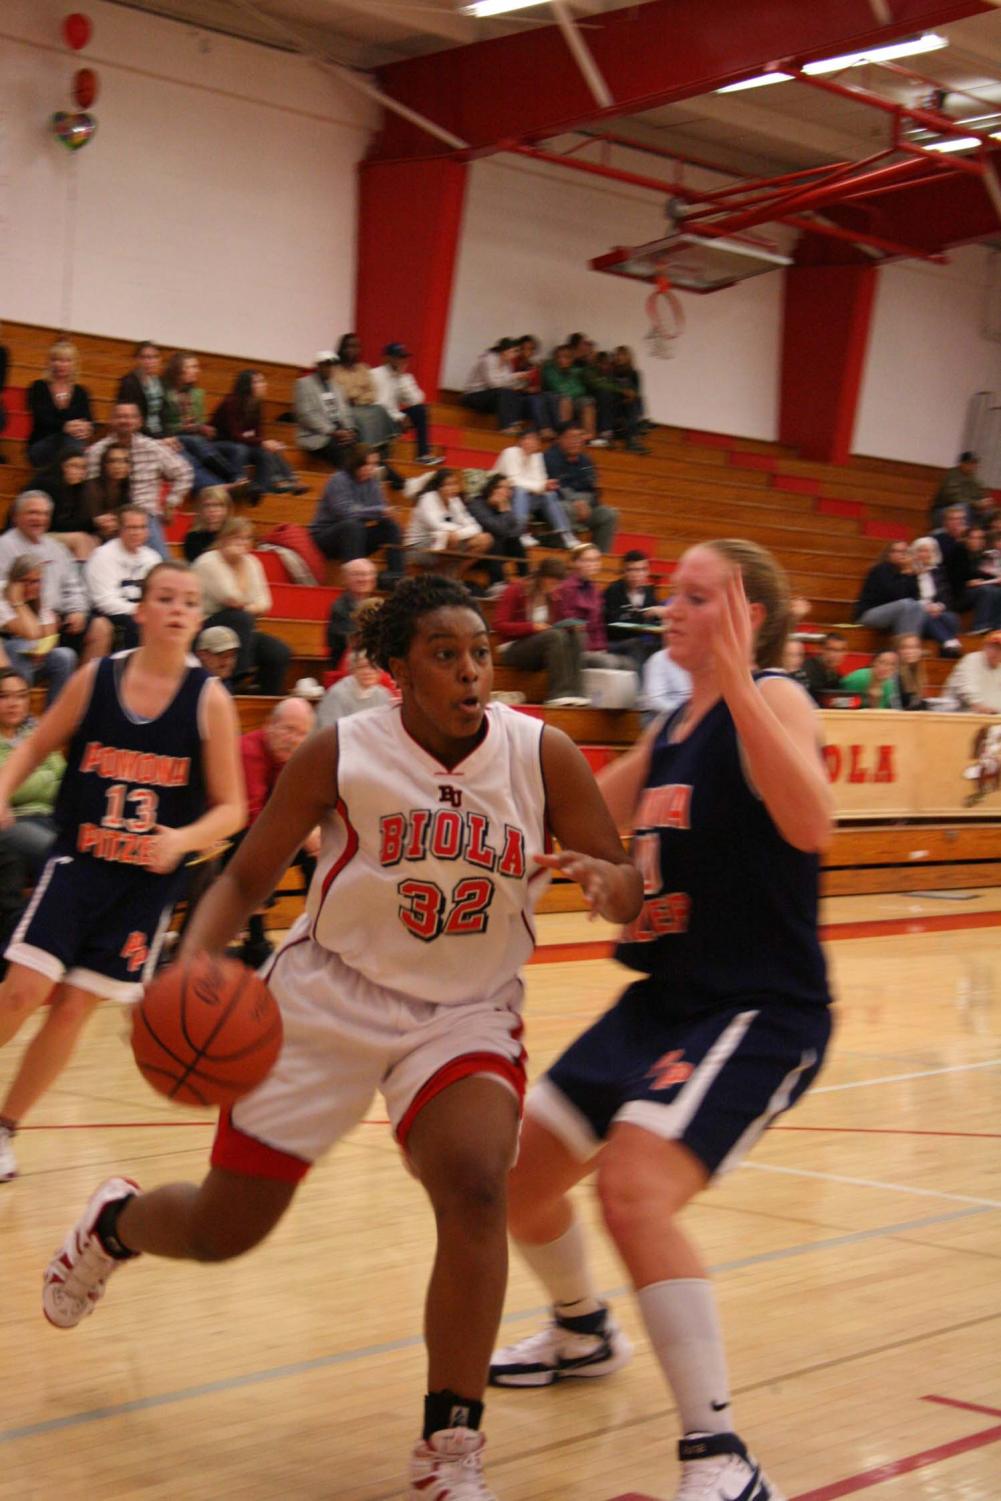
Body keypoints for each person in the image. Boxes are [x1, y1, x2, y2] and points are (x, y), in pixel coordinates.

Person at [40, 574, 642, 1501]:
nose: (470, 670)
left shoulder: (542, 752)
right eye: (444, 654)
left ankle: (449, 1447)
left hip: (462, 1009)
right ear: (395, 668)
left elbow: (622, 877)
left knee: (477, 1185)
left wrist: (610, 888)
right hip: (328, 998)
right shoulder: (340, 751)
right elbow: (243, 880)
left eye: (479, 650)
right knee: (221, 1228)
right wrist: (189, 972)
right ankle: (115, 1224)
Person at [489, 538, 833, 1501]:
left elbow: (812, 824)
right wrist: (536, 858)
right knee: (519, 1175)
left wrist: (738, 681)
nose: (669, 610)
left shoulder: (779, 699)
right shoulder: (675, 724)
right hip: (664, 999)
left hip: (757, 1007)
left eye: (695, 597)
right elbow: (598, 835)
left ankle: (720, 1455)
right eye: (672, 597)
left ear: (747, 616)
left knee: (633, 1190)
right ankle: (581, 1328)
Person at [0, 561, 245, 1182]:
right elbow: (32, 743)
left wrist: (182, 840)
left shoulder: (209, 701)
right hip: (79, 864)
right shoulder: (96, 678)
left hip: (142, 887)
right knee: (22, 991)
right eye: (165, 597)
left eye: (190, 601)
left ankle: (4, 1128)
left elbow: (233, 808)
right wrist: (3, 789)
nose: (177, 609)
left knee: (75, 1010)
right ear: (141, 609)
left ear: (199, 616)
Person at [0, 491, 101, 684]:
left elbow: (74, 587)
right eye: (33, 513)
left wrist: (77, 610)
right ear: (16, 516)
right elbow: (10, 601)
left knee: (91, 634)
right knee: (20, 648)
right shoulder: (3, 547)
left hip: (54, 620)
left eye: (45, 514)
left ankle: (77, 700)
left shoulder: (57, 549)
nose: (39, 518)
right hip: (14, 623)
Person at [192, 518, 291, 696]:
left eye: (246, 539)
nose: (242, 543)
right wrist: (249, 604)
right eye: (236, 538)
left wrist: (242, 565)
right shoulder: (208, 561)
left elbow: (266, 603)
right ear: (223, 539)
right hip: (206, 627)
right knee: (240, 617)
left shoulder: (252, 563)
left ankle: (260, 702)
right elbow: (230, 598)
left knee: (279, 652)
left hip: (241, 629)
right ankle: (238, 676)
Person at [86, 403, 193, 560]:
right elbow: (90, 489)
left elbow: (184, 472)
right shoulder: (98, 451)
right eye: (120, 416)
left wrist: (171, 502)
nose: (125, 420)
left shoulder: (153, 448)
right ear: (111, 420)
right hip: (111, 514)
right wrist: (99, 516)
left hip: (144, 514)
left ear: (140, 421)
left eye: (130, 416)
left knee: (161, 563)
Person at [494, 558, 589, 707]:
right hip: (513, 648)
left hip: (541, 646)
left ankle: (576, 692)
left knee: (577, 635)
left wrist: (569, 627)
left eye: (558, 584)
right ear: (542, 578)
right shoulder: (516, 590)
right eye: (552, 583)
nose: (555, 587)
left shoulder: (554, 597)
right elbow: (500, 624)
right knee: (554, 636)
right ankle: (559, 693)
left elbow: (554, 625)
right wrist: (532, 627)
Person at [0, 669, 65, 880]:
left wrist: (29, 777)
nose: (14, 703)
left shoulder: (36, 733)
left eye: (21, 696)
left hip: (52, 815)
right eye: (4, 696)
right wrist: (47, 776)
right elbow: (15, 791)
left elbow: (65, 778)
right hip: (16, 822)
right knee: (60, 857)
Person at [310, 445, 404, 581]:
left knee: (390, 525)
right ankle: (356, 574)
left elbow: (381, 508)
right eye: (367, 464)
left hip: (354, 538)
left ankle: (395, 575)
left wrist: (387, 513)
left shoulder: (372, 482)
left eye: (374, 464)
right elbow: (345, 512)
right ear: (356, 463)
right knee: (353, 525)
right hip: (325, 537)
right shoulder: (338, 479)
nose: (371, 469)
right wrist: (379, 511)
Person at [853, 539, 962, 656]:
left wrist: (910, 575)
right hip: (870, 614)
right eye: (896, 551)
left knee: (917, 607)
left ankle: (911, 648)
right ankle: (906, 647)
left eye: (904, 552)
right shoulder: (881, 569)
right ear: (889, 554)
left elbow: (914, 599)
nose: (901, 555)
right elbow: (893, 595)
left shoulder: (909, 574)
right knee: (909, 604)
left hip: (895, 615)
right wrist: (905, 573)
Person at [161, 353, 248, 496]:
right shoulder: (165, 394)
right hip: (177, 438)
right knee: (193, 447)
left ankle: (238, 480)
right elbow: (165, 426)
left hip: (198, 439)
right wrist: (194, 428)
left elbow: (199, 422)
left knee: (237, 449)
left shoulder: (197, 394)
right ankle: (228, 483)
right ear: (178, 370)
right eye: (192, 367)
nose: (197, 370)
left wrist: (204, 428)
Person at [211, 370, 307, 497]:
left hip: (241, 443)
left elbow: (257, 434)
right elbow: (234, 435)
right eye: (259, 382)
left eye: (263, 381)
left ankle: (262, 488)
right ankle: (245, 482)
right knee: (245, 448)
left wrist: (268, 444)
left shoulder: (256, 404)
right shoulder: (230, 403)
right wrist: (262, 442)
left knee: (266, 451)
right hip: (221, 444)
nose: (264, 384)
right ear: (247, 385)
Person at [84, 506, 162, 651]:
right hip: (113, 614)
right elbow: (105, 602)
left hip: (142, 611)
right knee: (138, 624)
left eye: (141, 527)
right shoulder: (102, 556)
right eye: (131, 527)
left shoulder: (153, 558)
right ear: (120, 529)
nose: (137, 533)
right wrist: (141, 611)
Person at [553, 545, 635, 673]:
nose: (593, 564)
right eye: (588, 560)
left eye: (596, 560)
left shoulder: (594, 589)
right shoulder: (567, 588)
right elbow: (569, 625)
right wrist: (594, 649)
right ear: (575, 562)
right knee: (609, 662)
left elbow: (598, 624)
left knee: (629, 663)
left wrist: (601, 648)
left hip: (595, 647)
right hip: (575, 648)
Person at [491, 432, 575, 547]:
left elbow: (541, 480)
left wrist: (545, 486)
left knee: (550, 495)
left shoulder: (537, 457)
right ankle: (519, 532)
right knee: (520, 491)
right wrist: (541, 486)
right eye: (528, 439)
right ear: (520, 441)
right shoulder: (510, 452)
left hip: (527, 499)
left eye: (535, 440)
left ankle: (565, 533)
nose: (531, 442)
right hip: (503, 496)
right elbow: (513, 480)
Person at [544, 428, 618, 554]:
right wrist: (576, 502)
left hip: (585, 506)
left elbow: (593, 489)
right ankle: (571, 553)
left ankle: (600, 557)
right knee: (564, 508)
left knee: (609, 514)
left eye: (579, 437)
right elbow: (554, 488)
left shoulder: (586, 461)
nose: (576, 441)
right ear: (560, 439)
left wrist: (587, 505)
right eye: (571, 437)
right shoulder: (549, 458)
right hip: (560, 504)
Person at [406, 470, 492, 578]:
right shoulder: (427, 499)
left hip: (442, 542)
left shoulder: (455, 501)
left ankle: (455, 576)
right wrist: (461, 531)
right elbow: (437, 526)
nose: (453, 488)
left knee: (485, 539)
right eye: (448, 484)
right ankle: (439, 576)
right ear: (439, 487)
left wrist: (458, 533)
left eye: (455, 484)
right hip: (417, 547)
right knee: (450, 537)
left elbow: (476, 527)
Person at [25, 341, 94, 468]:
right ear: (49, 363)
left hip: (72, 444)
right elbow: (41, 419)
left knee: (73, 440)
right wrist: (65, 426)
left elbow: (89, 420)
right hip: (41, 445)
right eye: (57, 360)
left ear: (74, 364)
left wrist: (86, 428)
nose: (61, 364)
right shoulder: (38, 387)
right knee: (70, 440)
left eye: (67, 360)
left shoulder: (81, 392)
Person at [371, 343, 440, 467]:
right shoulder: (375, 374)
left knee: (420, 410)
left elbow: (417, 399)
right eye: (398, 357)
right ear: (387, 358)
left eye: (403, 357)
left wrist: (403, 378)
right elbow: (379, 405)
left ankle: (423, 455)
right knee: (385, 413)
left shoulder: (402, 377)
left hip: (395, 419)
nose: (402, 360)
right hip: (379, 419)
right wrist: (399, 417)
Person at [27, 443, 98, 558]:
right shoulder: (48, 484)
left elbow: (73, 522)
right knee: (80, 539)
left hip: (52, 533)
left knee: (94, 540)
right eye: (73, 466)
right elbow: (52, 524)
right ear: (61, 466)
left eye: (82, 467)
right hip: (34, 532)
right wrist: (93, 523)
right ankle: (80, 575)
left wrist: (93, 524)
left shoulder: (77, 489)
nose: (78, 471)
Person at [333, 334, 397, 450]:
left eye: (356, 347)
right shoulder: (335, 370)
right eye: (349, 346)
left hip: (363, 405)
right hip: (345, 409)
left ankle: (381, 447)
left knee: (380, 409)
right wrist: (360, 392)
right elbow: (341, 395)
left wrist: (356, 397)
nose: (352, 350)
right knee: (362, 418)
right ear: (342, 349)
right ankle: (368, 450)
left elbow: (372, 393)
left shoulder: (364, 368)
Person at [603, 550, 664, 669]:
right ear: (624, 571)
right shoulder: (613, 591)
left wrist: (658, 615)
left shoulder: (649, 592)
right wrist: (643, 616)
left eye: (642, 569)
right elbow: (612, 621)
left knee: (665, 645)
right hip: (616, 641)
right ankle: (639, 687)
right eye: (631, 570)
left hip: (641, 639)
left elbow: (655, 619)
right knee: (636, 644)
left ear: (647, 571)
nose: (637, 574)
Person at [294, 353, 357, 468]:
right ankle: (350, 479)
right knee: (341, 453)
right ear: (318, 366)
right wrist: (332, 431)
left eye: (332, 366)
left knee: (362, 450)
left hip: (339, 432)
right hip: (318, 435)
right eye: (326, 365)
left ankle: (396, 480)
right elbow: (305, 415)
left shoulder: (337, 387)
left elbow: (346, 412)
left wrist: (349, 430)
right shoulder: (304, 384)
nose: (330, 369)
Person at [467, 475, 531, 584]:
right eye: (503, 487)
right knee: (494, 539)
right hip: (478, 553)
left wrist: (504, 510)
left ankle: (526, 578)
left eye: (509, 488)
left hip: (498, 553)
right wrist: (504, 510)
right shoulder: (476, 505)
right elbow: (498, 529)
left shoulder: (504, 505)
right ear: (492, 488)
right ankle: (497, 584)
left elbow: (517, 531)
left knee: (515, 541)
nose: (507, 492)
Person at [463, 338, 537, 433]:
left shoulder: (507, 364)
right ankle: (506, 426)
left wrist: (523, 379)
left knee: (512, 394)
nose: (516, 354)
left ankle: (514, 423)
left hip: (490, 397)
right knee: (503, 393)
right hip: (473, 395)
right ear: (505, 351)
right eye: (514, 351)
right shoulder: (488, 360)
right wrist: (515, 376)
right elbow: (494, 384)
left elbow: (510, 385)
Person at [315, 646, 393, 727]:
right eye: (361, 667)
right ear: (353, 669)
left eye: (373, 667)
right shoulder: (338, 694)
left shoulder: (383, 695)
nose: (367, 672)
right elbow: (329, 729)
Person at [325, 556, 378, 670]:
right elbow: (354, 641)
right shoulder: (339, 608)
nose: (363, 579)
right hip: (350, 667)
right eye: (357, 574)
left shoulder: (376, 605)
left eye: (368, 574)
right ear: (345, 579)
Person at [639, 631, 691, 722]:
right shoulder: (659, 659)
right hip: (662, 717)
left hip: (692, 716)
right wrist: (683, 714)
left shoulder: (701, 660)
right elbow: (655, 701)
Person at [116, 342, 166, 438]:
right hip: (139, 433)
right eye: (145, 357)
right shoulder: (129, 382)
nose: (150, 361)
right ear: (137, 359)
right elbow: (131, 417)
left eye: (155, 357)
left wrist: (167, 436)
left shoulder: (160, 382)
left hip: (160, 432)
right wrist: (157, 438)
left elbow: (163, 414)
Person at [82, 442, 130, 542]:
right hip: (91, 534)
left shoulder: (126, 488)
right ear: (104, 465)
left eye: (124, 461)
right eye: (113, 461)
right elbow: (90, 520)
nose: (118, 466)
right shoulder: (91, 487)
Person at [944, 630, 1001, 713]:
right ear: (984, 647)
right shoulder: (971, 660)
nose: (996, 652)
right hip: (958, 715)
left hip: (991, 719)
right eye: (992, 647)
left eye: (999, 649)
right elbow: (969, 692)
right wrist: (985, 710)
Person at [929, 451, 987, 527]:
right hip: (943, 511)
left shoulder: (975, 480)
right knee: (962, 508)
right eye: (970, 463)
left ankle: (978, 536)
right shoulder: (951, 476)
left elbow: (980, 495)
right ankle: (963, 533)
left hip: (967, 509)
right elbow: (953, 497)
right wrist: (975, 504)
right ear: (962, 463)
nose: (973, 466)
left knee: (988, 513)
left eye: (974, 464)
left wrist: (983, 504)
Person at [182, 488, 232, 563]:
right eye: (207, 505)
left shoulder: (233, 533)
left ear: (226, 509)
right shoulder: (192, 537)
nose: (212, 510)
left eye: (217, 505)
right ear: (200, 509)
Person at [802, 632, 847, 705]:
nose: (836, 655)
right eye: (831, 649)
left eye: (841, 650)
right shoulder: (806, 670)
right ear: (821, 650)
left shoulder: (837, 676)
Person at [194, 624, 240, 690]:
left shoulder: (225, 684)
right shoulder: (190, 686)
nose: (228, 662)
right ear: (201, 654)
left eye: (232, 655)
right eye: (222, 655)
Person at [895, 633, 928, 710]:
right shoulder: (894, 675)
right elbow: (896, 708)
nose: (910, 651)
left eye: (915, 647)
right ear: (898, 651)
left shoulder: (917, 674)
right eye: (905, 648)